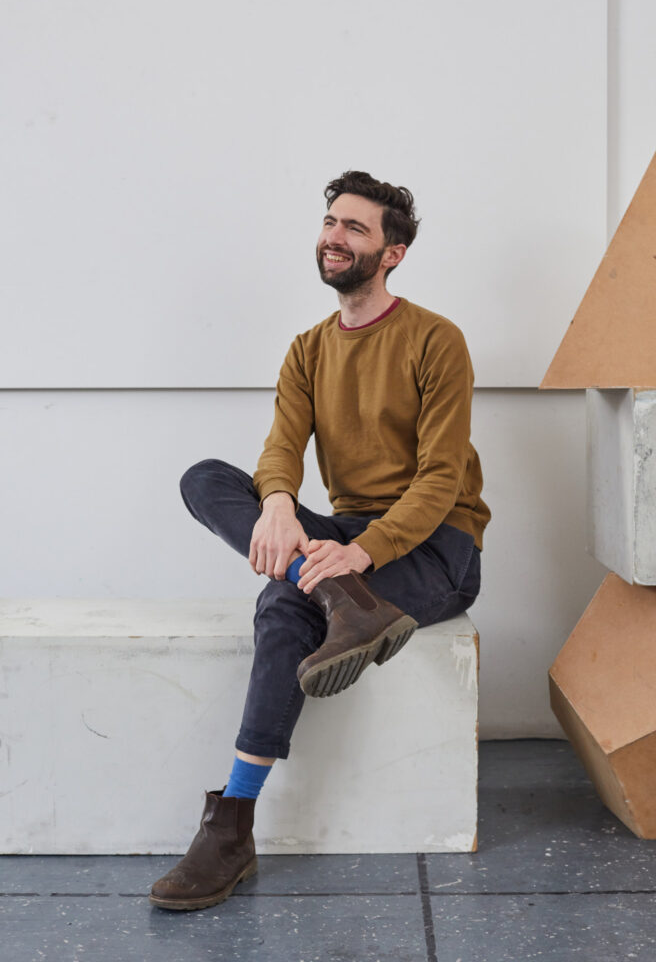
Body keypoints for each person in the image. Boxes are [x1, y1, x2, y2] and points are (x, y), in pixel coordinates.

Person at [149, 170, 491, 911]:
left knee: (284, 602)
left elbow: (440, 479)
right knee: (205, 478)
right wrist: (277, 504)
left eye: (354, 228)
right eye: (331, 222)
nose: (334, 237)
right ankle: (343, 600)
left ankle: (230, 824)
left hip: (436, 543)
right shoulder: (307, 349)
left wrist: (361, 554)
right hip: (343, 531)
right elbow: (280, 447)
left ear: (392, 253)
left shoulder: (436, 339)